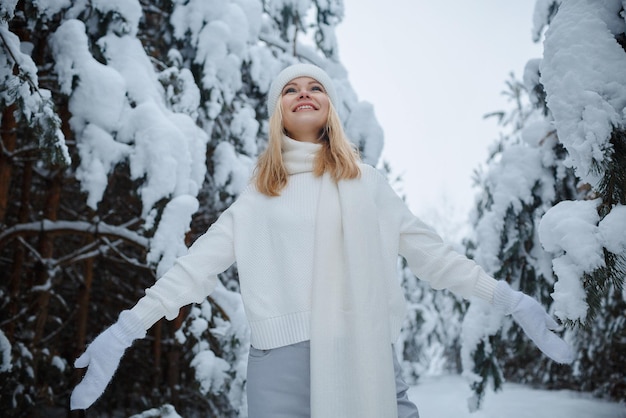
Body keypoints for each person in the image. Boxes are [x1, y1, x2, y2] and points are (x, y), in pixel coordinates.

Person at [70, 63, 573, 418]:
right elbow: (193, 269)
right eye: (292, 89)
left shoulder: (368, 184)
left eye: (316, 87)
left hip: (365, 353)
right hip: (280, 367)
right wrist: (124, 330)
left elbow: (435, 257)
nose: (304, 93)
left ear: (329, 107)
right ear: (278, 112)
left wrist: (512, 301)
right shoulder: (258, 196)